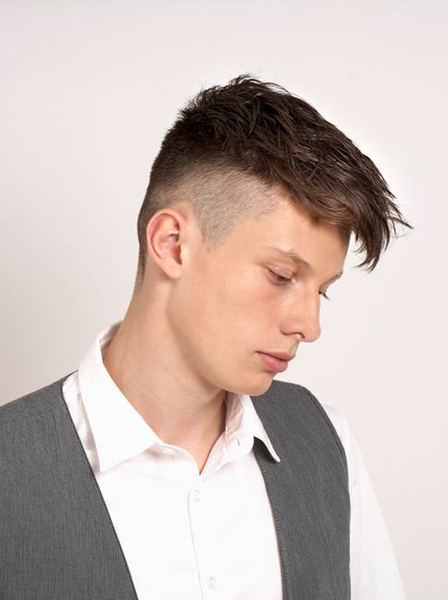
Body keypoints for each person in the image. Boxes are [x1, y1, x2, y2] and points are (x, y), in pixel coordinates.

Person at [0, 74, 411, 600]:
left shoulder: (327, 442)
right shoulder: (12, 467)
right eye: (281, 276)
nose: (309, 326)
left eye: (322, 291)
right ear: (172, 244)